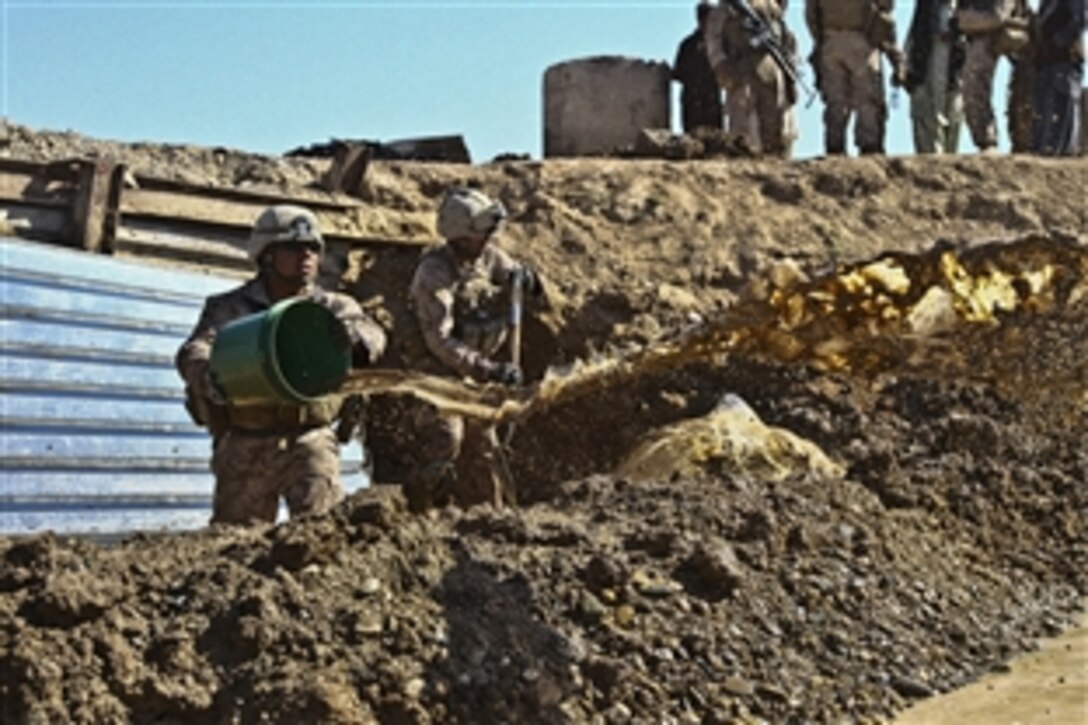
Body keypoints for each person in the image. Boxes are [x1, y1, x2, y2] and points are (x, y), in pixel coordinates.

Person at [176, 204, 387, 525]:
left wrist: (354, 337)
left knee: (322, 541)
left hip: (310, 440)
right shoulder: (230, 308)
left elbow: (373, 336)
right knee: (235, 548)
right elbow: (193, 351)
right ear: (266, 255)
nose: (306, 256)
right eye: (293, 248)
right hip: (246, 443)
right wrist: (210, 377)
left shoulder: (332, 307)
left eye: (313, 249)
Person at [408, 187, 542, 511]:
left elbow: (514, 278)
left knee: (484, 448)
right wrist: (488, 369)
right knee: (447, 438)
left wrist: (529, 282)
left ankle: (488, 517)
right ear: (460, 235)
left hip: (477, 372)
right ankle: (427, 512)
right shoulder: (434, 273)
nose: (486, 240)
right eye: (480, 234)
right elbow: (440, 340)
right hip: (439, 372)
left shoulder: (489, 258)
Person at [806, 0, 897, 155]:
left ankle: (835, 146)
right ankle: (869, 146)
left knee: (836, 99)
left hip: (830, 41)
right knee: (867, 99)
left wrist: (823, 38)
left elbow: (811, 15)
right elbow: (886, 6)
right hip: (861, 40)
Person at [705, 0, 794, 157]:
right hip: (740, 68)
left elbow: (783, 34)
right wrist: (720, 64)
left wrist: (788, 65)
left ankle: (774, 161)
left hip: (769, 67)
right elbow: (714, 39)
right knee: (741, 125)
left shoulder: (769, 5)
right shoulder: (726, 8)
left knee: (774, 122)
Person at [957, 0, 1032, 151]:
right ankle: (987, 140)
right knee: (974, 85)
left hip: (1013, 27)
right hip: (985, 30)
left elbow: (999, 15)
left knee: (1026, 87)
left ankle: (1023, 140)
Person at [904, 0, 967, 153]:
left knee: (954, 116)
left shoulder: (964, 7)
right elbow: (912, 38)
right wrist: (905, 67)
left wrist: (955, 35)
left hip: (954, 75)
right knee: (925, 114)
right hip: (924, 69)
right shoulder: (924, 7)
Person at [1031, 0, 1085, 155]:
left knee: (1064, 103)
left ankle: (1063, 151)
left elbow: (1078, 21)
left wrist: (1057, 42)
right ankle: (1043, 149)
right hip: (1047, 60)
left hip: (1066, 58)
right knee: (1044, 106)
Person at [673, 2, 724, 133]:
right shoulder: (688, 45)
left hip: (712, 101)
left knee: (716, 142)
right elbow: (678, 73)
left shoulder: (720, 44)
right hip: (693, 102)